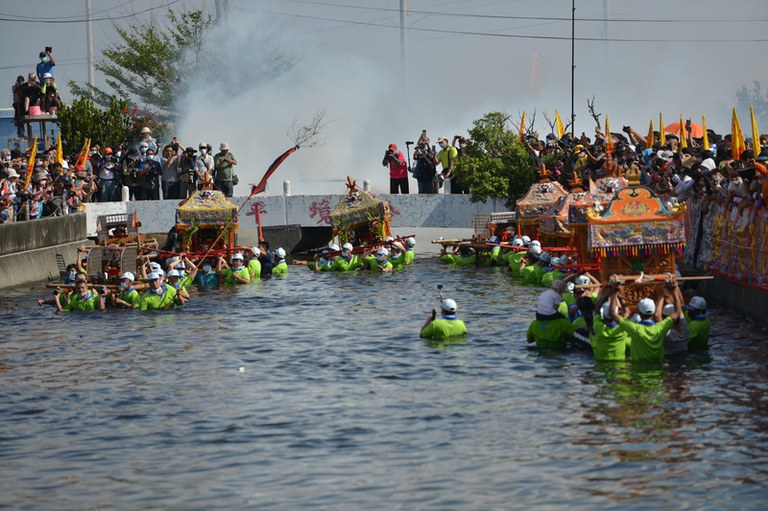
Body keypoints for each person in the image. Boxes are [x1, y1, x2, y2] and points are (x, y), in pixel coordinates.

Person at [609, 283, 681, 365]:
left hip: (638, 373)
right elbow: (677, 312)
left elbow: (613, 315)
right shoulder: (661, 327)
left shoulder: (634, 329)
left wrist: (614, 293)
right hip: (657, 373)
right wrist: (674, 291)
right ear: (653, 312)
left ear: (639, 312)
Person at [526, 281, 576, 350]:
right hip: (559, 352)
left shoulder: (534, 325)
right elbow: (576, 336)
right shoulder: (563, 323)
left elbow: (529, 340)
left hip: (541, 354)